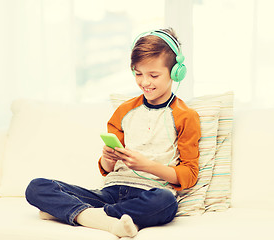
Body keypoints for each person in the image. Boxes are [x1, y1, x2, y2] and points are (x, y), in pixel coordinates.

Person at [25, 28, 201, 238]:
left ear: (175, 72)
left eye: (154, 75)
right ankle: (105, 219)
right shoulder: (125, 110)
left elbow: (189, 175)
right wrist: (108, 158)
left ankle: (80, 214)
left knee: (166, 203)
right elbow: (107, 169)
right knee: (36, 187)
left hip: (149, 193)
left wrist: (146, 165)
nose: (145, 82)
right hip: (110, 192)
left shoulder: (185, 116)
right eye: (138, 74)